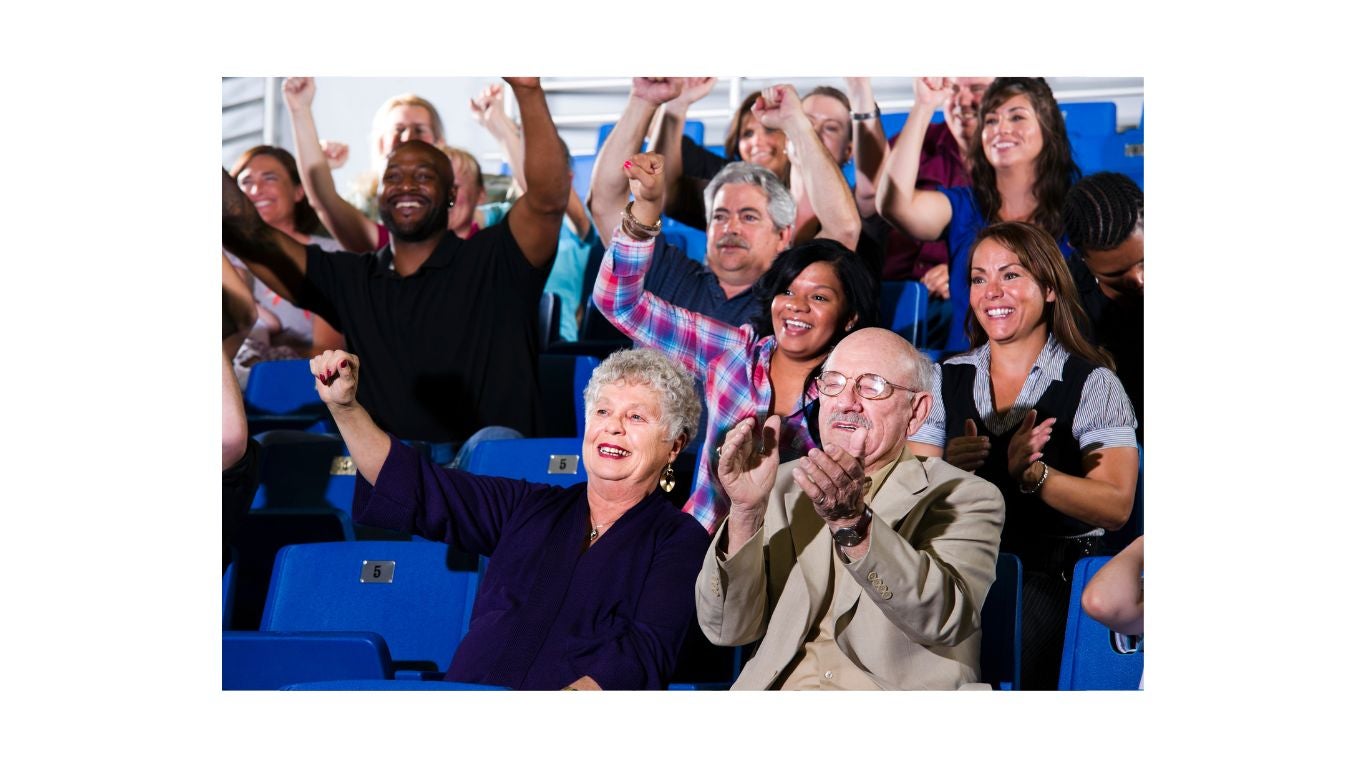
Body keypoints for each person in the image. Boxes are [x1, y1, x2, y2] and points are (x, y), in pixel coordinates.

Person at [310, 346, 710, 689]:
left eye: (636, 418)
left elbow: (644, 652)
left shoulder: (679, 539)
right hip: (466, 711)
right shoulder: (526, 506)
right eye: (603, 411)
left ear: (674, 446)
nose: (613, 428)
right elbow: (419, 486)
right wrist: (345, 408)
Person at [223, 77, 568, 450]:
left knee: (494, 442)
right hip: (393, 476)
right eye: (393, 177)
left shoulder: (497, 257)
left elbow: (548, 200)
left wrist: (529, 91)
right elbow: (250, 234)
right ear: (381, 193)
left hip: (487, 480)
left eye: (424, 177)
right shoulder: (350, 277)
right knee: (287, 450)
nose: (406, 185)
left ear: (452, 195)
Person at [696, 328, 1005, 689]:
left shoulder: (964, 495)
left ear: (917, 411)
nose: (847, 401)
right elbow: (725, 629)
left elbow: (942, 619)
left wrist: (852, 523)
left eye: (872, 386)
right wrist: (745, 512)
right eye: (833, 383)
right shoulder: (779, 486)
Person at [595, 151, 878, 535]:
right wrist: (646, 207)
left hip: (799, 562)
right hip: (701, 548)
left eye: (820, 298)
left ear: (849, 318)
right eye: (788, 292)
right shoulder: (734, 354)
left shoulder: (860, 394)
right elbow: (618, 302)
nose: (797, 307)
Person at [908, 221, 1138, 689]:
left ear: (1050, 288)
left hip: (1056, 572)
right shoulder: (941, 378)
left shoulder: (1093, 382)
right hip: (959, 563)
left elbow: (1115, 507)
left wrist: (1035, 476)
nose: (992, 291)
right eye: (978, 278)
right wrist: (947, 470)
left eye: (1010, 275)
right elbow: (908, 490)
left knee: (996, 657)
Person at [588, 80, 859, 330]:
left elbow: (843, 230)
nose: (731, 227)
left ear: (783, 235)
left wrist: (798, 124)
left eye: (749, 217)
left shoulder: (789, 303)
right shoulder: (667, 271)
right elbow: (605, 202)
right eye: (719, 216)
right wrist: (642, 99)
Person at [878, 77, 1080, 353]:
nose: (1002, 129)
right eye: (991, 121)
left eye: (1017, 117)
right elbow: (895, 204)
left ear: (1048, 128)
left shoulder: (1077, 209)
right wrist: (924, 106)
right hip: (966, 371)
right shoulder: (964, 205)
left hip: (1056, 369)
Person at [282, 78, 485, 255]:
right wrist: (301, 111)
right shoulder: (383, 239)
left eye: (419, 130)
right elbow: (324, 201)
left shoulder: (483, 233)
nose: (407, 137)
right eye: (394, 179)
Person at [469, 81, 595, 342]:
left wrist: (501, 126)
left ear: (567, 177)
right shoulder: (495, 215)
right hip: (492, 338)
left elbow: (543, 191)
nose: (532, 168)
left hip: (554, 345)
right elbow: (453, 218)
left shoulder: (577, 223)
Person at [225, 145, 346, 381]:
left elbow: (326, 351)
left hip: (300, 383)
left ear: (299, 191)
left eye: (270, 178)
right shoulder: (222, 256)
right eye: (245, 182)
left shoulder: (329, 254)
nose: (256, 189)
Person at [1062, 172, 1143, 439]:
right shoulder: (1066, 302)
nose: (1139, 279)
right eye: (1117, 274)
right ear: (1080, 254)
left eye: (1145, 261)